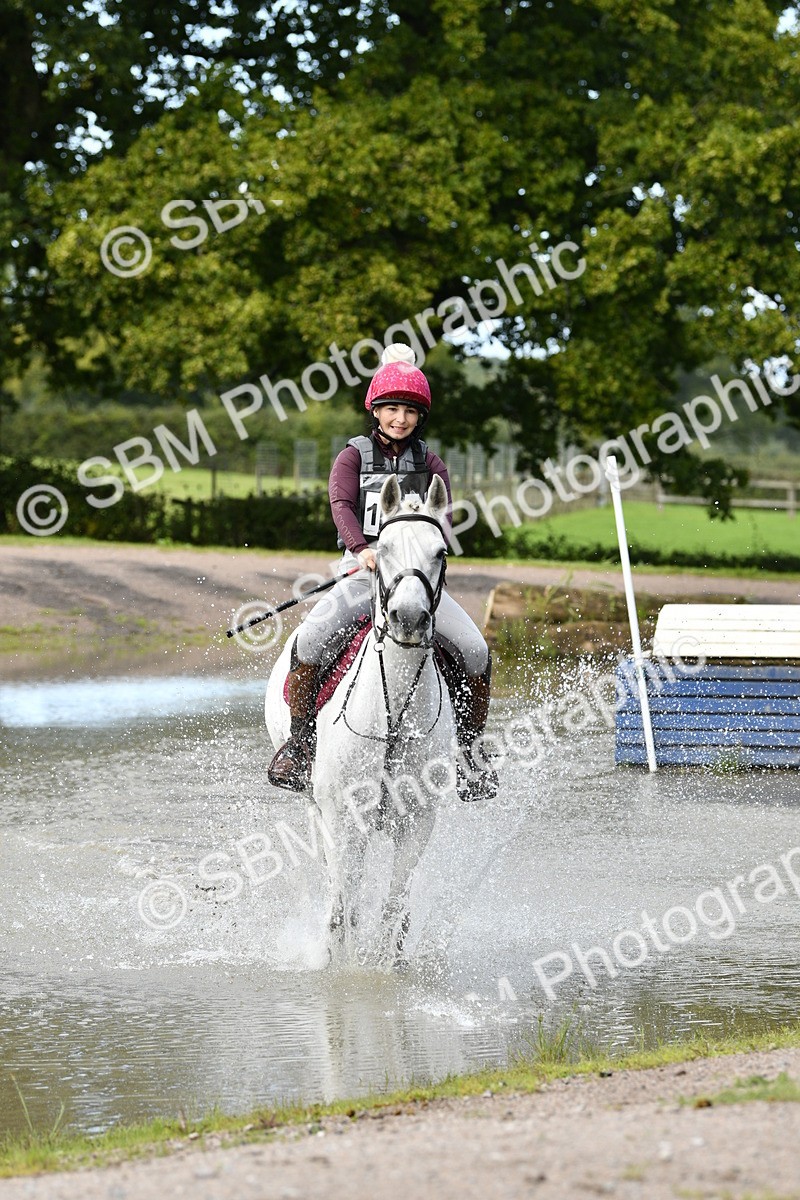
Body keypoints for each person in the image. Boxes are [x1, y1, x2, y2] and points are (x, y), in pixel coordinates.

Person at [267, 344, 497, 801]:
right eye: (391, 409)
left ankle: (471, 752)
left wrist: (423, 555)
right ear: (375, 410)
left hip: (416, 581)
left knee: (475, 650)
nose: (400, 419)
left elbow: (444, 518)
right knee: (310, 640)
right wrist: (360, 549)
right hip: (361, 575)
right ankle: (300, 743)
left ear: (420, 417)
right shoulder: (352, 457)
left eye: (410, 411)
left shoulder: (431, 465)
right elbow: (341, 505)